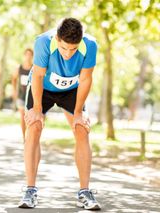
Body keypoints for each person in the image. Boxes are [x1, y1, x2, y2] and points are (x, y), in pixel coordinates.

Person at [18, 18, 101, 210]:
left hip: (72, 89)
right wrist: (37, 109)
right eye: (64, 48)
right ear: (57, 39)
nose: (68, 54)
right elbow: (38, 75)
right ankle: (30, 190)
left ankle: (85, 192)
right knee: (34, 127)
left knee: (82, 129)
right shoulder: (43, 42)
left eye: (73, 49)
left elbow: (86, 78)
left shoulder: (90, 45)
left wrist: (79, 112)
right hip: (43, 88)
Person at [12, 48, 33, 142]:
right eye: (26, 54)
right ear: (24, 56)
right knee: (22, 117)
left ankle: (29, 136)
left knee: (30, 118)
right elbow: (14, 78)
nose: (28, 56)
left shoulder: (34, 68)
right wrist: (14, 90)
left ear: (32, 56)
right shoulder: (19, 68)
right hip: (21, 96)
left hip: (31, 96)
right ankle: (24, 137)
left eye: (30, 54)